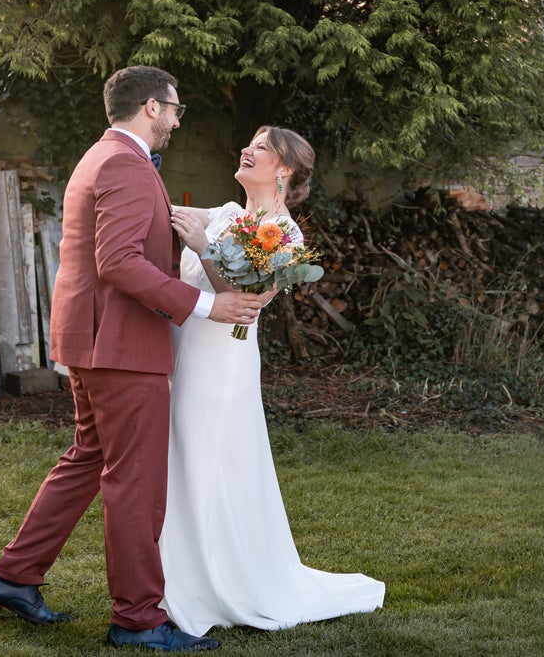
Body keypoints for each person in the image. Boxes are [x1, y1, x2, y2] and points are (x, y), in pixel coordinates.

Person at [0, 66, 266, 652]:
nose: (177, 121)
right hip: (122, 348)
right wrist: (210, 305)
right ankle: (138, 619)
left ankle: (12, 576)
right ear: (152, 107)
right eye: (175, 109)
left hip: (95, 341)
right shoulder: (126, 164)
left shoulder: (103, 156)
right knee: (135, 482)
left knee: (88, 458)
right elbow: (120, 262)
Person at [162, 126, 386, 637]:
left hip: (222, 363)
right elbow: (160, 209)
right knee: (181, 460)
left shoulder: (286, 235)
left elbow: (247, 304)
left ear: (284, 169)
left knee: (205, 462)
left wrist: (205, 249)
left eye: (261, 147)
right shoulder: (226, 214)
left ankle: (210, 584)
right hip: (182, 353)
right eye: (251, 142)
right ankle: (179, 574)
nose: (247, 149)